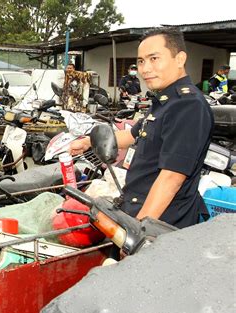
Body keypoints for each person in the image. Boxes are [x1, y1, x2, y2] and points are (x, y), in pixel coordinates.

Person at [69, 28, 213, 229]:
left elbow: (171, 179)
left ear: (179, 59)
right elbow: (132, 134)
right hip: (137, 209)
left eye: (154, 59)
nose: (145, 69)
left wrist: (136, 233)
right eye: (141, 61)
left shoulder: (188, 106)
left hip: (161, 224)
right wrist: (87, 142)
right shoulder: (165, 101)